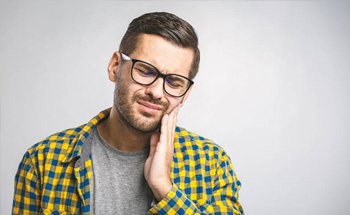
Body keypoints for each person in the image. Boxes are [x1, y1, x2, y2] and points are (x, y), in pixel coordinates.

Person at [12, 12, 244, 215]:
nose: (156, 92)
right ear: (115, 66)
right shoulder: (42, 160)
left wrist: (164, 189)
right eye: (145, 71)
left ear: (186, 93)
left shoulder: (212, 163)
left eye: (174, 82)